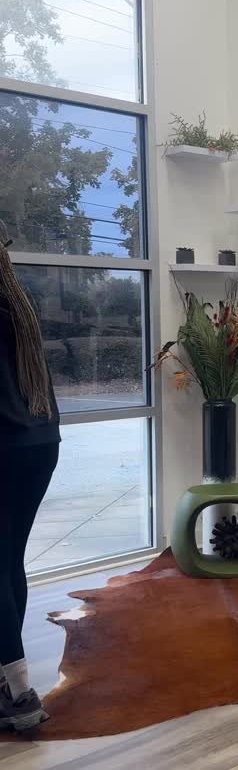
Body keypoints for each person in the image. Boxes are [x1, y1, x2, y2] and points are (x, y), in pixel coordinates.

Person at [0, 222, 59, 730]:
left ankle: (18, 692)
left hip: (4, 446)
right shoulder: (18, 304)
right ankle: (10, 682)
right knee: (8, 559)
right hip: (39, 445)